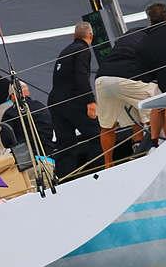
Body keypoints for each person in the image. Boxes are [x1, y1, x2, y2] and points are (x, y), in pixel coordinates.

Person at [93, 27, 159, 167]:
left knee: (107, 126)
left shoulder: (124, 39)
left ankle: (108, 165)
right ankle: (157, 149)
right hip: (125, 78)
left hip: (102, 79)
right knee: (159, 104)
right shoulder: (151, 39)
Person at [48, 21, 101, 179]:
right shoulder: (83, 50)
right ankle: (97, 172)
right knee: (96, 135)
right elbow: (81, 77)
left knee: (65, 144)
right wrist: (90, 101)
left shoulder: (65, 50)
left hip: (55, 101)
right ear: (90, 35)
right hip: (73, 99)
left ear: (74, 36)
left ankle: (66, 179)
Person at [0, 81, 55, 157]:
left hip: (26, 157)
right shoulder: (41, 106)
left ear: (13, 96)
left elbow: (6, 141)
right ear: (27, 92)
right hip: (48, 152)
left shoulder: (10, 113)